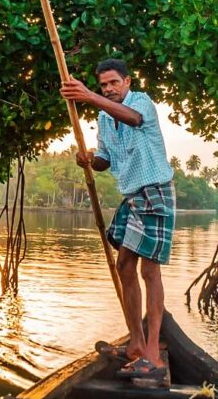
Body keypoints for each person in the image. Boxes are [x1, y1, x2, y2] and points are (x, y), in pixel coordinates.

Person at [61, 58, 175, 381]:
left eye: (113, 83)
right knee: (124, 266)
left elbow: (133, 119)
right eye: (103, 86)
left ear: (126, 81)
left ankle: (153, 354)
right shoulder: (102, 116)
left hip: (155, 191)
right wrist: (88, 160)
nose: (109, 89)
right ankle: (135, 344)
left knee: (150, 271)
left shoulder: (140, 102)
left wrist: (87, 96)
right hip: (132, 197)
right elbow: (104, 161)